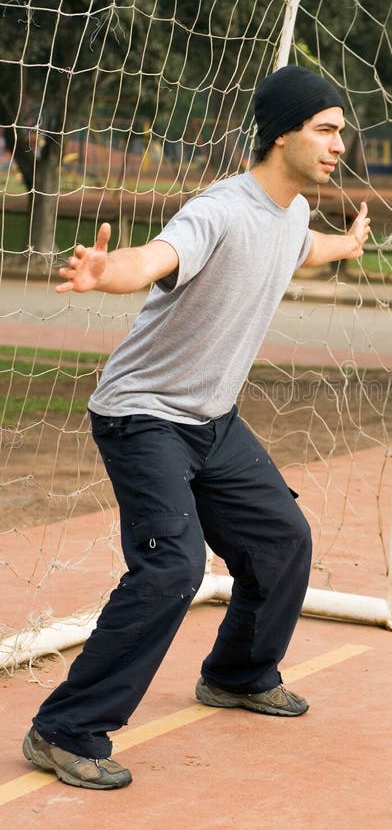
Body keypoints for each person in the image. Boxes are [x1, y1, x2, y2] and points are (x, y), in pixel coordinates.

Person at [22, 65, 370, 790]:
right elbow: (157, 258)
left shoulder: (295, 212)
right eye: (327, 128)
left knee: (282, 540)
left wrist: (348, 245)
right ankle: (65, 730)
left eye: (342, 131)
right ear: (283, 132)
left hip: (211, 420)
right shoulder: (220, 209)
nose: (341, 144)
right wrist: (107, 269)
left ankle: (239, 675)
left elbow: (300, 249)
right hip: (143, 413)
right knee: (172, 568)